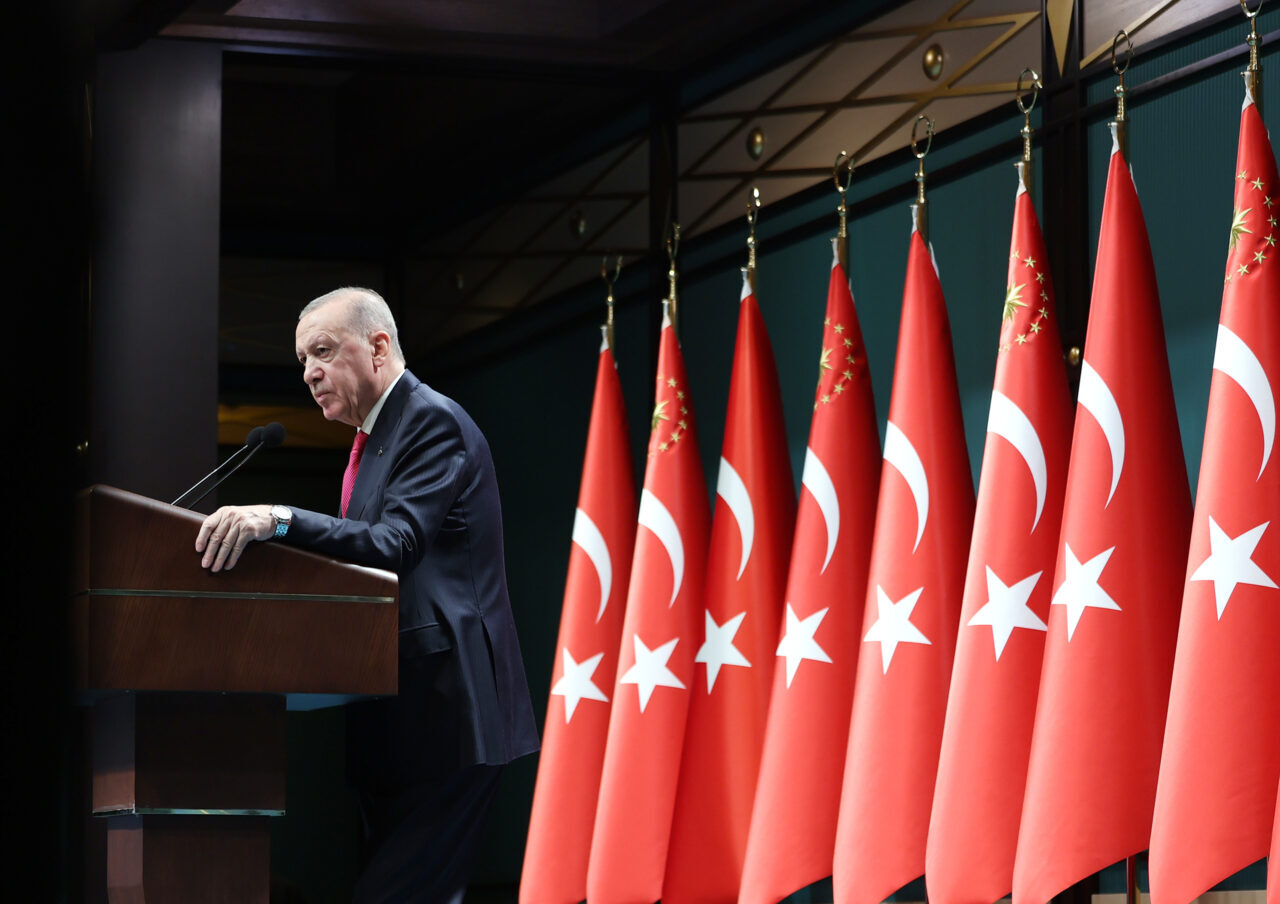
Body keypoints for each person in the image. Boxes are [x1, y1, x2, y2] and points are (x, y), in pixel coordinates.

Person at [195, 286, 539, 903]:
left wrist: (278, 519)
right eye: (303, 360)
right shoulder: (375, 438)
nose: (309, 373)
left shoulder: (430, 421)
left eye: (323, 351)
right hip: (396, 722)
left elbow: (394, 544)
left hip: (450, 716)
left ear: (378, 347)